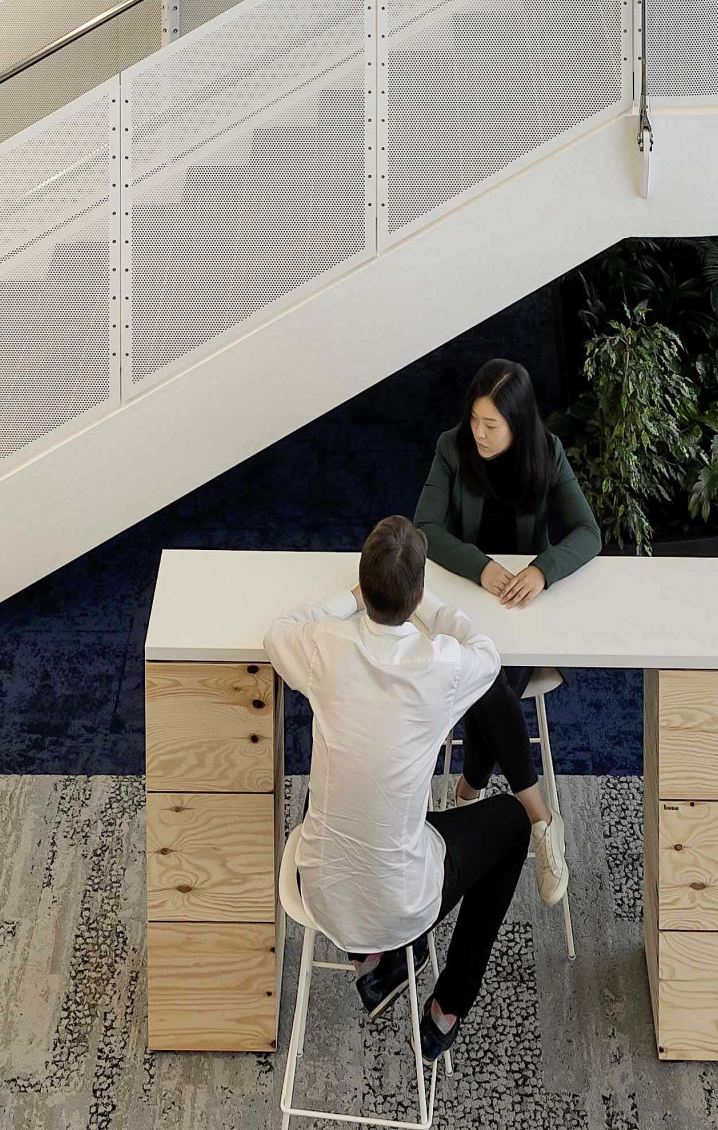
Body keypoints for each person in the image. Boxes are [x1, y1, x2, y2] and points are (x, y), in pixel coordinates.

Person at [266, 517, 532, 1067]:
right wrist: (431, 606)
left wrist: (347, 601)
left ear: (364, 587)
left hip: (317, 889)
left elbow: (278, 632)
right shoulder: (444, 665)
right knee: (511, 823)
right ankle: (447, 1007)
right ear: (414, 595)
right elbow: (487, 649)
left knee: (345, 779)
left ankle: (373, 959)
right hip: (405, 902)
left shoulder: (324, 645)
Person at [414, 357, 594, 903]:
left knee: (487, 681)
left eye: (492, 425)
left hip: (519, 613)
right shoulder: (452, 448)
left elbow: (588, 532)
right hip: (467, 607)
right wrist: (481, 567)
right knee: (488, 679)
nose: (480, 433)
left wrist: (541, 569)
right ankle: (540, 818)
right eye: (475, 419)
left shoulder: (547, 452)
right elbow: (424, 528)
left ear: (519, 424)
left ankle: (469, 788)